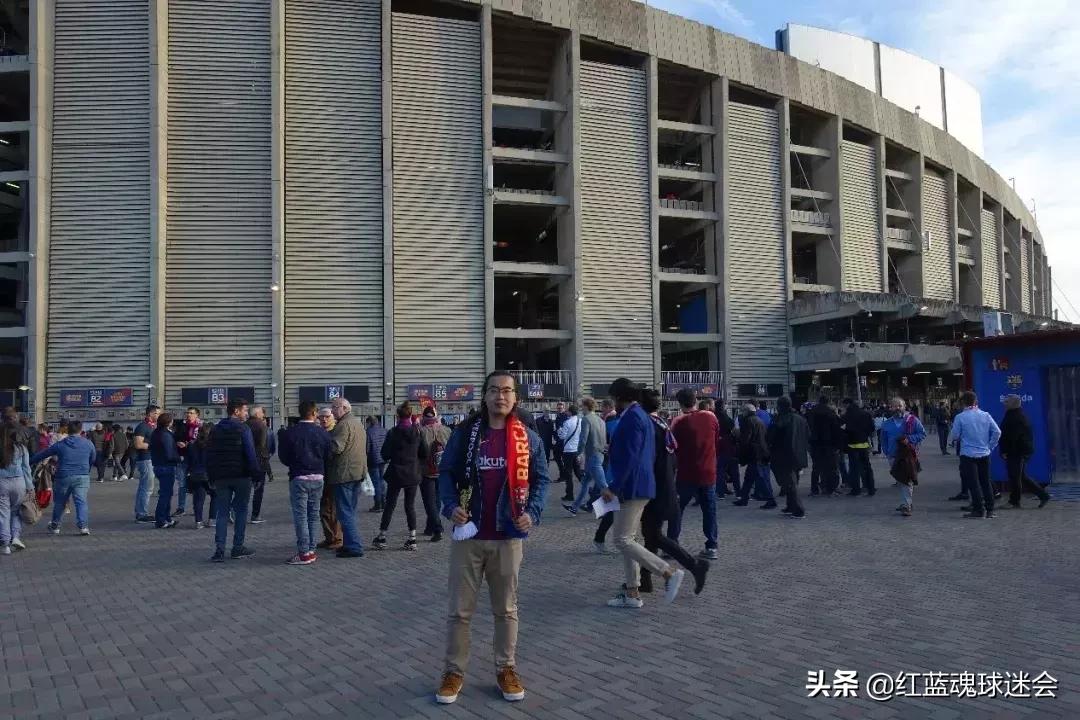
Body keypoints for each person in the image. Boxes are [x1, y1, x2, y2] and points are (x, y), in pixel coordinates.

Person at [434, 371, 549, 705]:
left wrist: (535, 512)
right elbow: (446, 472)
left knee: (507, 610)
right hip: (468, 538)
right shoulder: (465, 434)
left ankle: (506, 668)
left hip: (507, 537)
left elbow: (542, 479)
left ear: (516, 398)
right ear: (484, 396)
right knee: (459, 612)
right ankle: (454, 672)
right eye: (495, 390)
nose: (501, 396)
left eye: (508, 391)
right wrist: (451, 505)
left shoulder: (528, 437)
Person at [603, 377, 686, 610]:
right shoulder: (641, 416)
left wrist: (614, 486)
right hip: (639, 484)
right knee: (629, 539)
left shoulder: (632, 419)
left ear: (619, 398)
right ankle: (632, 591)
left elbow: (630, 457)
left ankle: (667, 572)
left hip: (632, 486)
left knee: (622, 539)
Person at [638, 388, 708, 594]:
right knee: (651, 535)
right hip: (665, 484)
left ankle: (695, 565)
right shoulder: (663, 424)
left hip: (656, 488)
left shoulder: (649, 427)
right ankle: (645, 580)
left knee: (653, 535)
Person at [278, 400, 333, 565]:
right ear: (314, 413)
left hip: (299, 477)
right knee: (313, 514)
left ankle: (303, 552)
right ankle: (311, 549)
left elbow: (284, 457)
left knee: (301, 515)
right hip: (318, 477)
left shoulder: (290, 433)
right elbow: (329, 455)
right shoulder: (322, 433)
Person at [666, 388, 719, 560]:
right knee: (709, 509)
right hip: (708, 472)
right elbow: (716, 437)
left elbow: (671, 447)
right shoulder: (711, 417)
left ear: (679, 403)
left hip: (687, 474)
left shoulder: (677, 422)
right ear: (696, 399)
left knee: (677, 510)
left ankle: (672, 544)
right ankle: (711, 546)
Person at [206, 397, 261, 562]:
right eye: (244, 410)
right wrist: (257, 474)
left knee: (222, 512)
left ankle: (219, 550)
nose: (246, 413)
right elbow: (250, 454)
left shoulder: (216, 429)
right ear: (236, 411)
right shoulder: (243, 429)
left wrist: (211, 475)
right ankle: (237, 547)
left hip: (221, 477)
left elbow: (210, 454)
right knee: (241, 511)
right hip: (241, 476)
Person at [373, 402, 427, 551]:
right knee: (410, 506)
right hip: (412, 473)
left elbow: (384, 454)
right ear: (410, 415)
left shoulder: (392, 433)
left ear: (397, 416)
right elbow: (425, 453)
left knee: (390, 505)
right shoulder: (418, 432)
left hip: (396, 473)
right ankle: (412, 538)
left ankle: (382, 536)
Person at [31, 420, 96, 536]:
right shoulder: (88, 443)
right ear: (80, 430)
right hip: (82, 476)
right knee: (81, 502)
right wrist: (86, 469)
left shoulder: (61, 444)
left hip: (63, 476)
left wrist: (29, 461)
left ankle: (55, 526)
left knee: (60, 502)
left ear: (67, 430)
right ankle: (83, 527)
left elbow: (43, 454)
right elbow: (93, 458)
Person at [948, 391, 1002, 519]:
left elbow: (954, 436)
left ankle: (978, 509)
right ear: (975, 401)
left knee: (974, 483)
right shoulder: (986, 415)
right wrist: (990, 446)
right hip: (984, 453)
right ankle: (990, 509)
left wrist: (959, 437)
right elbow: (997, 432)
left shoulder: (960, 417)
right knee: (986, 482)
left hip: (968, 454)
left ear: (963, 402)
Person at [327, 397, 368, 558]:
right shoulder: (358, 423)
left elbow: (336, 448)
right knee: (349, 510)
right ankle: (349, 543)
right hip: (357, 472)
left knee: (345, 512)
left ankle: (354, 546)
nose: (332, 411)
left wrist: (325, 442)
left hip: (344, 473)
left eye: (334, 407)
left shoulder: (343, 425)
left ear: (344, 408)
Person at [999, 394, 1050, 509]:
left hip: (1017, 452)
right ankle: (1043, 495)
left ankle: (1014, 501)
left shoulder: (1014, 417)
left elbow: (1012, 437)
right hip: (1020, 451)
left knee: (1015, 476)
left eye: (1007, 401)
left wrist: (1005, 451)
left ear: (1013, 404)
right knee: (1021, 476)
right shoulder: (1016, 415)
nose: (1004, 403)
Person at [880, 397, 926, 517]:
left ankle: (906, 505)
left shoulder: (912, 420)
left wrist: (909, 439)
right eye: (894, 406)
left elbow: (922, 433)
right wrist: (886, 452)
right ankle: (906, 501)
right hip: (893, 456)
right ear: (890, 407)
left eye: (900, 405)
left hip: (908, 455)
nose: (897, 408)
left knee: (906, 480)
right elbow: (883, 439)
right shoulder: (887, 423)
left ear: (904, 406)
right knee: (901, 480)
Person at [767, 396, 809, 518]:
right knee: (792, 482)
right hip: (799, 454)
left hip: (784, 455)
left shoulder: (781, 419)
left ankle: (798, 509)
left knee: (790, 483)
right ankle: (791, 506)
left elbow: (771, 436)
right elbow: (807, 435)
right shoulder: (801, 419)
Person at [418, 406, 450, 541]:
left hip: (426, 472)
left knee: (429, 502)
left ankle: (437, 528)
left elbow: (418, 453)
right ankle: (430, 527)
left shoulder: (421, 431)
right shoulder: (446, 430)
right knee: (436, 500)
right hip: (443, 472)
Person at [0, 422, 32, 554]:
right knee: (17, 511)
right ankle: (16, 537)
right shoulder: (21, 447)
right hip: (19, 482)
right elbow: (26, 468)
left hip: (2, 482)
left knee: (3, 513)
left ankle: (5, 544)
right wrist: (30, 486)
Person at [733, 404, 770, 508]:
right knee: (749, 478)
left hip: (754, 452)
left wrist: (741, 451)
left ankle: (770, 499)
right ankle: (744, 498)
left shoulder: (748, 421)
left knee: (758, 477)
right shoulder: (759, 420)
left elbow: (746, 439)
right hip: (760, 451)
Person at [149, 413, 182, 529]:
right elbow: (169, 453)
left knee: (166, 493)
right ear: (169, 422)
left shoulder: (156, 433)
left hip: (158, 465)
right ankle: (161, 520)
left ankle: (167, 518)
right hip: (166, 466)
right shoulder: (166, 435)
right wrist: (179, 458)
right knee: (165, 494)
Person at [808, 396, 844, 497]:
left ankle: (814, 489)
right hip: (828, 444)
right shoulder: (830, 413)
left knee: (816, 468)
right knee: (830, 467)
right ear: (827, 402)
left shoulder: (811, 412)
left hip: (815, 443)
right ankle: (830, 489)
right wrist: (838, 445)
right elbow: (836, 430)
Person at [841, 398, 876, 497]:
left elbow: (843, 429)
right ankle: (871, 488)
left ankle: (855, 490)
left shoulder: (847, 415)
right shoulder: (866, 414)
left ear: (847, 404)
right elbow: (872, 429)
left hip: (852, 445)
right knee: (867, 468)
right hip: (864, 444)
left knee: (854, 469)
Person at [132, 405, 160, 523]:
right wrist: (154, 446)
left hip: (150, 459)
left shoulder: (151, 427)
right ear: (151, 414)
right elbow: (138, 444)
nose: (159, 416)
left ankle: (140, 512)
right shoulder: (142, 427)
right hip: (145, 459)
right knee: (147, 488)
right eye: (157, 413)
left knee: (144, 487)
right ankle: (142, 514)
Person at [555, 404, 587, 506]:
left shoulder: (567, 422)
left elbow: (562, 436)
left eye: (568, 411)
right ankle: (585, 490)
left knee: (568, 473)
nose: (566, 412)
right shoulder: (580, 421)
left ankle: (570, 494)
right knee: (578, 472)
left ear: (570, 412)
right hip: (576, 449)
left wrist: (559, 431)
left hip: (568, 450)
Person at [185, 421, 215, 529]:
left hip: (195, 474)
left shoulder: (192, 445)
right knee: (215, 496)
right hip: (209, 475)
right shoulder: (213, 446)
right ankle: (212, 519)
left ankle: (198, 521)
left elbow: (187, 462)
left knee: (198, 499)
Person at [246, 406, 272, 524]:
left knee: (243, 489)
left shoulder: (244, 425)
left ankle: (235, 512)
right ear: (257, 414)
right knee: (258, 490)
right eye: (262, 413)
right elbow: (263, 446)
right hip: (259, 462)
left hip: (245, 461)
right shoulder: (262, 426)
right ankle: (255, 515)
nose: (264, 415)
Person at [365, 415, 388, 513]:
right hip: (383, 459)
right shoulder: (384, 430)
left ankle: (377, 504)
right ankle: (384, 503)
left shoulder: (368, 432)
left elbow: (367, 448)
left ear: (369, 422)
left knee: (375, 482)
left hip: (373, 460)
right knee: (382, 480)